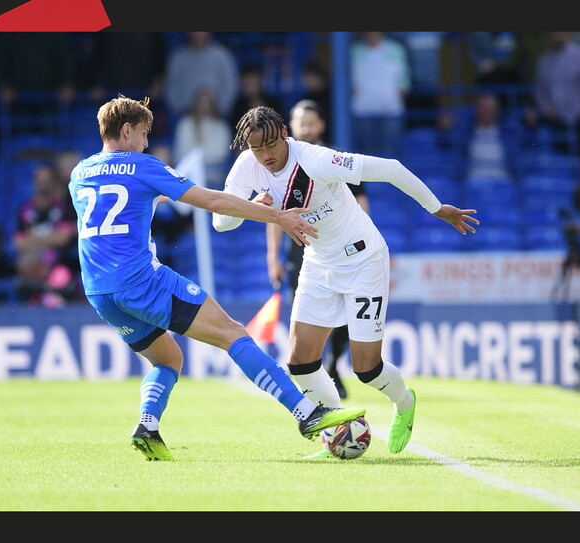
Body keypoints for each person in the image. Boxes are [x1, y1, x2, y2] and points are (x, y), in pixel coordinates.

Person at [68, 95, 366, 461]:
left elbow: (132, 200)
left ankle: (147, 425)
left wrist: (247, 207)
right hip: (142, 282)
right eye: (143, 133)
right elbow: (211, 201)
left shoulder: (80, 173)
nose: (145, 143)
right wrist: (277, 217)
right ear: (126, 130)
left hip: (100, 292)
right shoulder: (143, 165)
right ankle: (307, 414)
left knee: (167, 360)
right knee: (234, 334)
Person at [213, 106, 479, 457]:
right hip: (318, 264)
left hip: (364, 260)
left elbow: (391, 169)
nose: (265, 156)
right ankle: (337, 431)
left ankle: (404, 402)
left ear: (283, 133)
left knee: (366, 369)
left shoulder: (317, 159)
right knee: (300, 362)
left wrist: (435, 208)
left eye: (270, 146)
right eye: (256, 148)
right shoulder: (248, 165)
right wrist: (252, 206)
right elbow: (220, 221)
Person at [264, 99, 369, 400]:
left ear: (321, 125)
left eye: (311, 122)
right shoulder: (281, 170)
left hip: (343, 247)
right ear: (291, 129)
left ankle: (334, 366)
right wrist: (273, 257)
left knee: (345, 312)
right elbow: (272, 217)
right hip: (302, 251)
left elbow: (361, 202)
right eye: (301, 123)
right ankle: (317, 373)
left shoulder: (336, 159)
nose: (306, 128)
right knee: (310, 313)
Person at [525, 32, 580, 185]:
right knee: (559, 159)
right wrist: (545, 106)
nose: (556, 36)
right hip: (555, 119)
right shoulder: (545, 60)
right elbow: (539, 90)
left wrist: (577, 108)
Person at [13, 163, 80, 307]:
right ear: (34, 183)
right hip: (32, 269)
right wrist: (51, 237)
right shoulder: (25, 209)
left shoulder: (64, 208)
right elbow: (18, 242)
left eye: (47, 181)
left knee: (58, 292)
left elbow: (64, 239)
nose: (43, 185)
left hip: (59, 266)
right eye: (40, 181)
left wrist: (33, 237)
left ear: (53, 183)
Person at [349, 32, 411, 159]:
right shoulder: (354, 51)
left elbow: (404, 78)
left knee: (391, 154)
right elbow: (349, 78)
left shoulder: (396, 49)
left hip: (391, 110)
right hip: (362, 110)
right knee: (365, 155)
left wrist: (399, 94)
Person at [163, 32, 239, 118]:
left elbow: (230, 88)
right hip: (185, 117)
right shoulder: (178, 58)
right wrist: (186, 111)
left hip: (217, 116)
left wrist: (219, 110)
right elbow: (172, 91)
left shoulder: (223, 55)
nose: (199, 34)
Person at [172, 87, 234, 186]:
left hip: (213, 173)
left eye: (208, 102)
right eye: (201, 101)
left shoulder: (221, 126)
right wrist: (197, 158)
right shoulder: (185, 123)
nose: (204, 105)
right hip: (186, 174)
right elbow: (180, 152)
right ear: (195, 103)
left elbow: (221, 154)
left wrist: (198, 155)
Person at [230, 63, 284, 129]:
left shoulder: (274, 103)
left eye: (253, 81)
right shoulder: (238, 106)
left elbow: (281, 126)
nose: (250, 86)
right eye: (247, 82)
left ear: (260, 81)